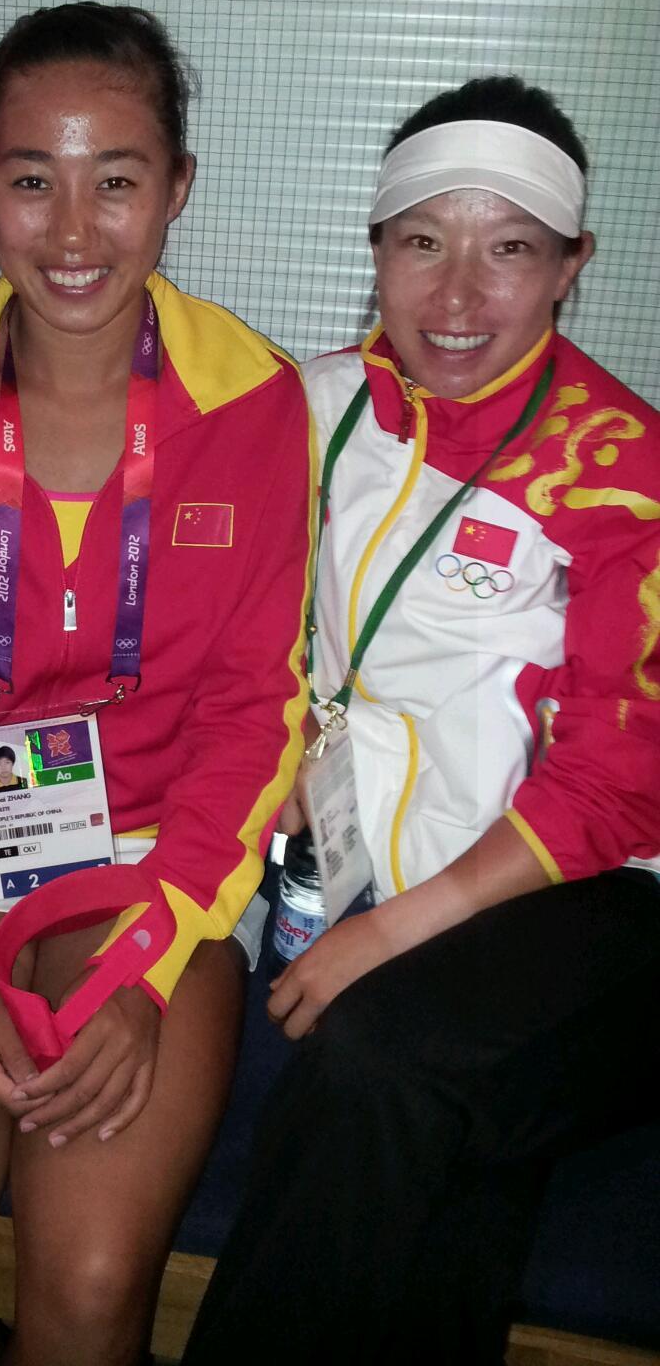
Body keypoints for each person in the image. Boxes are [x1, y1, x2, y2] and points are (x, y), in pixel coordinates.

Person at [0, 1, 313, 1366]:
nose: (75, 230)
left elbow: (255, 714)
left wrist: (152, 961)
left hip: (159, 866)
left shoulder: (254, 401)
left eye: (119, 179)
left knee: (89, 1292)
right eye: (33, 179)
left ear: (178, 189)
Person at [181, 77, 660, 1366]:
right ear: (378, 249)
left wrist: (387, 936)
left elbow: (618, 785)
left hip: (600, 896)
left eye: (510, 249)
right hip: (382, 873)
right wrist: (280, 741)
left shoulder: (627, 474)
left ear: (571, 267)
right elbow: (237, 619)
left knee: (381, 1057)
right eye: (423, 242)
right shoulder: (310, 404)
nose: (457, 295)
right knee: (446, 1141)